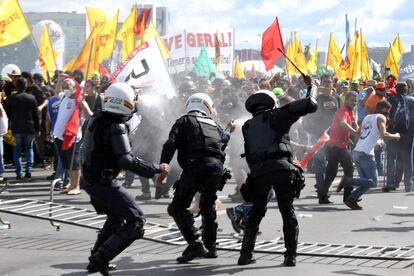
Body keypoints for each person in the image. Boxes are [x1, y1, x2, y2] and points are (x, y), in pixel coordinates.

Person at [81, 83, 169, 275]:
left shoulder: (96, 119)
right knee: (136, 221)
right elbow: (126, 160)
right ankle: (101, 258)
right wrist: (156, 169)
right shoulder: (116, 126)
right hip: (103, 182)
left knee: (115, 217)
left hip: (91, 179)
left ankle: (95, 257)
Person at [237, 77, 317, 267]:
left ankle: (245, 255)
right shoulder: (277, 115)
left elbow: (249, 155)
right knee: (287, 211)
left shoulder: (248, 126)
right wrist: (311, 86)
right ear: (272, 102)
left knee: (256, 213)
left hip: (258, 172)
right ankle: (290, 256)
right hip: (281, 168)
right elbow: (310, 104)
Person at [156, 93, 235, 263]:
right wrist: (229, 129)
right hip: (216, 169)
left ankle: (195, 243)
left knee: (177, 207)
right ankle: (210, 247)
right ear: (208, 106)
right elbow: (223, 139)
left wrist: (163, 167)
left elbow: (170, 144)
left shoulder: (183, 121)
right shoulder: (214, 123)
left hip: (195, 167)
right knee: (207, 206)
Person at [342, 100, 400, 209]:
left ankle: (352, 199)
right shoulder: (381, 118)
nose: (388, 114)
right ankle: (348, 181)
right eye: (388, 111)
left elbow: (358, 133)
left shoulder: (367, 117)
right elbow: (384, 135)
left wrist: (375, 142)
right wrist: (396, 136)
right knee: (373, 182)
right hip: (365, 153)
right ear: (384, 109)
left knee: (366, 182)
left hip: (357, 151)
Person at [317, 91, 358, 204]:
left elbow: (347, 126)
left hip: (335, 146)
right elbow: (342, 123)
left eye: (355, 100)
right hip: (337, 147)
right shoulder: (343, 111)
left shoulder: (350, 112)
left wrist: (352, 136)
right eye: (351, 100)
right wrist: (355, 133)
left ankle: (322, 196)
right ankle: (348, 196)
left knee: (331, 172)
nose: (354, 102)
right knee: (349, 169)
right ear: (346, 100)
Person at [5, 77, 39, 179]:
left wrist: (8, 128)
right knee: (29, 148)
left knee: (17, 150)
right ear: (26, 85)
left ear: (16, 85)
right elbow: (35, 115)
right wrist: (38, 129)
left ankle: (19, 172)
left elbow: (8, 114)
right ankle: (28, 169)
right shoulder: (31, 98)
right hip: (29, 127)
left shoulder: (11, 98)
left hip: (16, 127)